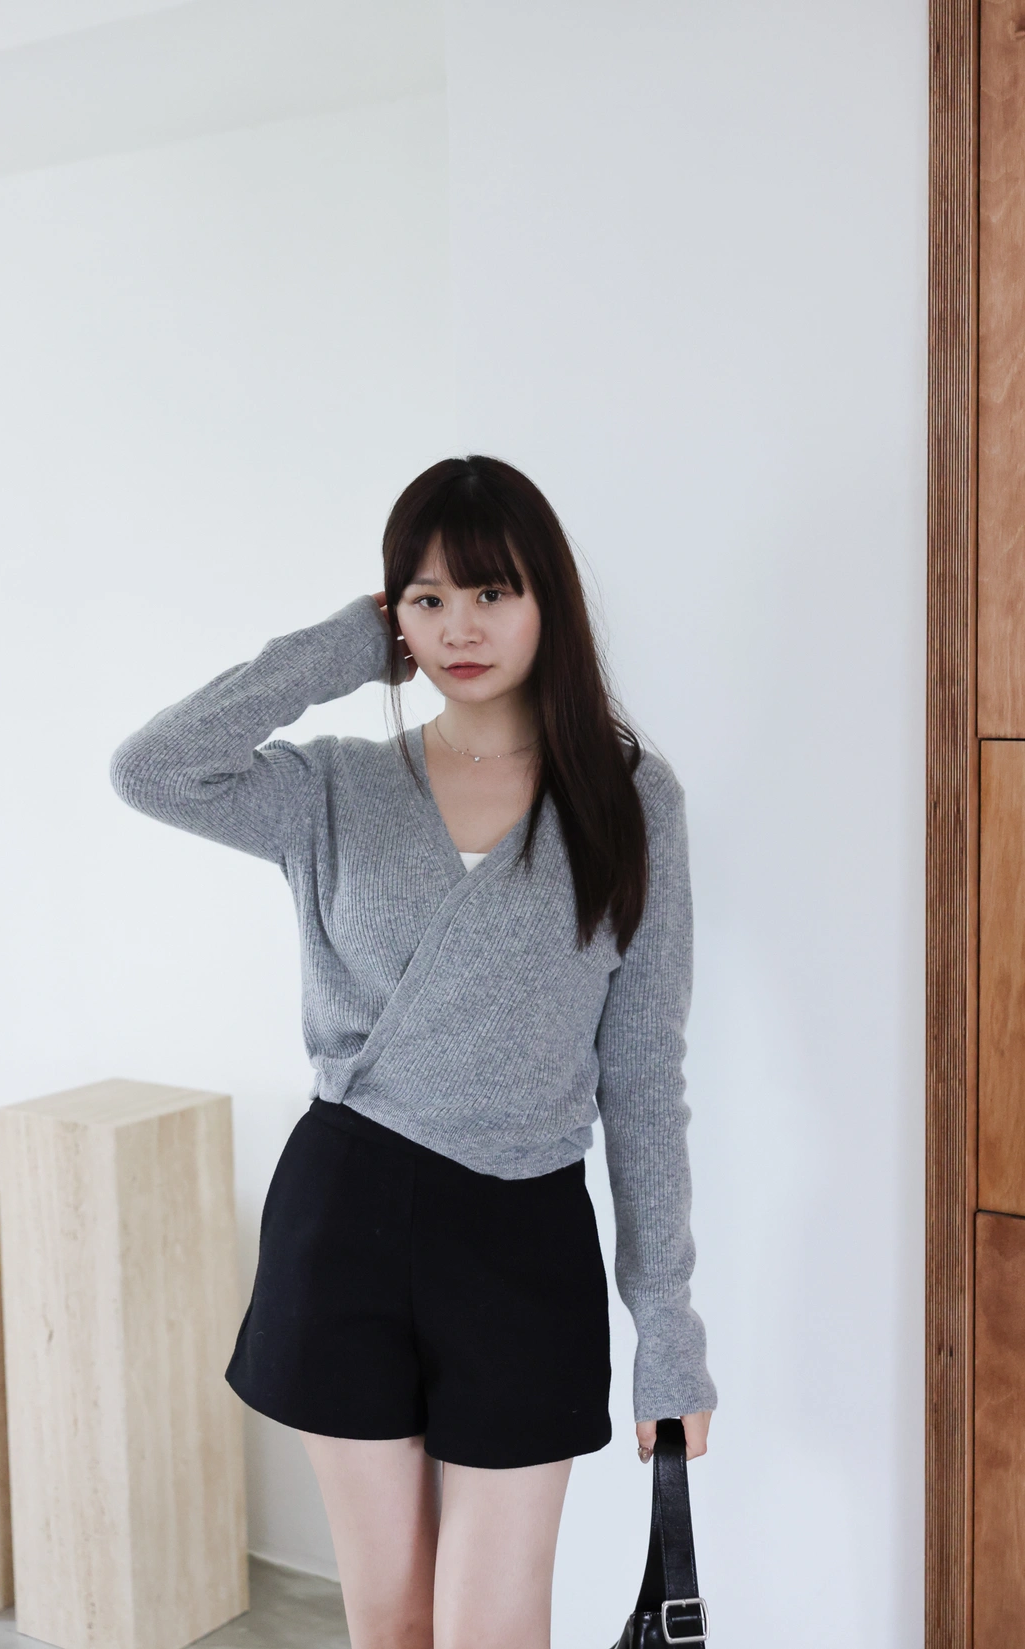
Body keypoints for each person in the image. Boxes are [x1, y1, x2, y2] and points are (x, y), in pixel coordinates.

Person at [109, 454, 717, 1649]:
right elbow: (150, 767)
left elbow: (645, 1076)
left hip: (522, 1236)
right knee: (390, 1622)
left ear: (548, 599)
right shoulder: (331, 789)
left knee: (493, 1626)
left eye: (491, 591)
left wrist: (668, 1325)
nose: (460, 628)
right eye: (427, 598)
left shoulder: (629, 799)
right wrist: (343, 647)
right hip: (346, 1216)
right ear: (394, 614)